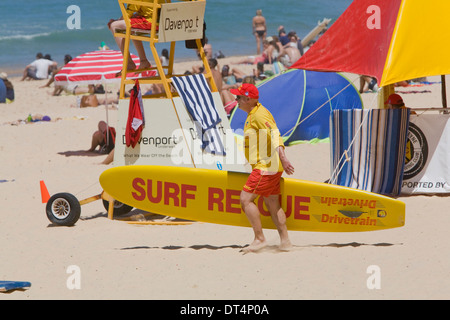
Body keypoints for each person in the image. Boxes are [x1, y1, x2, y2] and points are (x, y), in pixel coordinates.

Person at [230, 83, 295, 252]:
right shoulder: (254, 112)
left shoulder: (259, 115)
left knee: (245, 200)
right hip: (270, 166)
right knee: (273, 203)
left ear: (248, 99)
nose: (235, 100)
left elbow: (275, 134)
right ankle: (285, 241)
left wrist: (284, 158)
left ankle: (259, 239)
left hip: (265, 167)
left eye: (238, 97)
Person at [108, 0, 163, 74]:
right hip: (162, 21)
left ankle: (129, 62)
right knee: (133, 21)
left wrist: (116, 21)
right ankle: (143, 60)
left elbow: (128, 12)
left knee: (114, 26)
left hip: (152, 23)